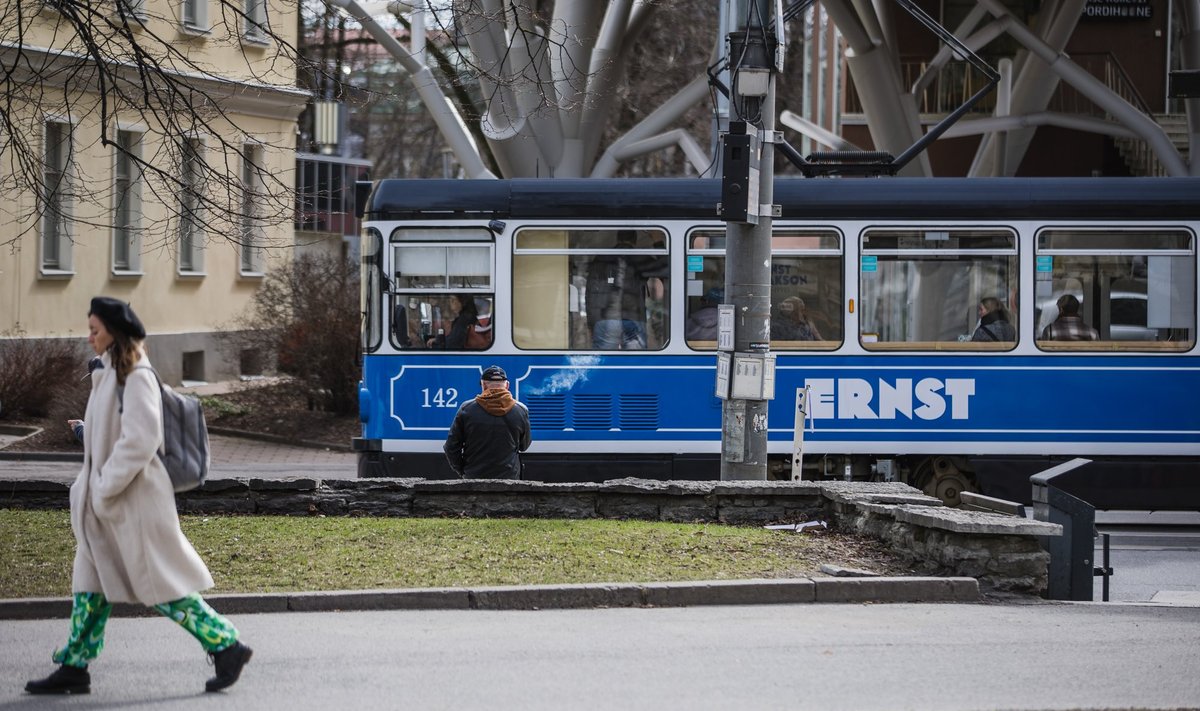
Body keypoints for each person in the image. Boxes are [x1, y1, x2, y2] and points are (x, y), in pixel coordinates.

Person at [25, 297, 252, 696]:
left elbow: (142, 438)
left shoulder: (136, 376)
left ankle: (225, 644)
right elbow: (113, 435)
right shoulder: (109, 373)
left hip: (132, 504)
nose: (89, 336)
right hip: (107, 507)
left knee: (161, 587)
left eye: (95, 329)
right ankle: (75, 666)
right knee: (89, 590)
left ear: (114, 333)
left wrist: (104, 486)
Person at [443, 365, 531, 479]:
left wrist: (463, 471)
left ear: (483, 385)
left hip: (474, 477)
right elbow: (524, 446)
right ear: (507, 385)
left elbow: (451, 447)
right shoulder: (521, 410)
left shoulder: (466, 409)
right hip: (509, 478)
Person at [585, 231, 654, 349]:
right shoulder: (642, 257)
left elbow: (590, 292)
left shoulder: (601, 258)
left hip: (605, 318)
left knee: (604, 359)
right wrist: (657, 241)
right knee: (635, 362)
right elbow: (665, 269)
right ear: (635, 240)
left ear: (617, 239)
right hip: (634, 316)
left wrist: (592, 323)